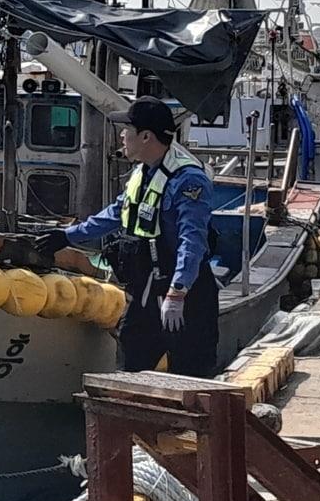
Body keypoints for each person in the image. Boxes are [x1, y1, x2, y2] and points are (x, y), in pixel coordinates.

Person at [35, 96, 218, 377]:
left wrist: (178, 292)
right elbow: (115, 213)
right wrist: (67, 237)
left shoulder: (188, 180)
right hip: (145, 289)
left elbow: (191, 241)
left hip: (184, 293)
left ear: (146, 137)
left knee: (191, 370)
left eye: (127, 130)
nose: (121, 136)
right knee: (130, 362)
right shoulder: (142, 173)